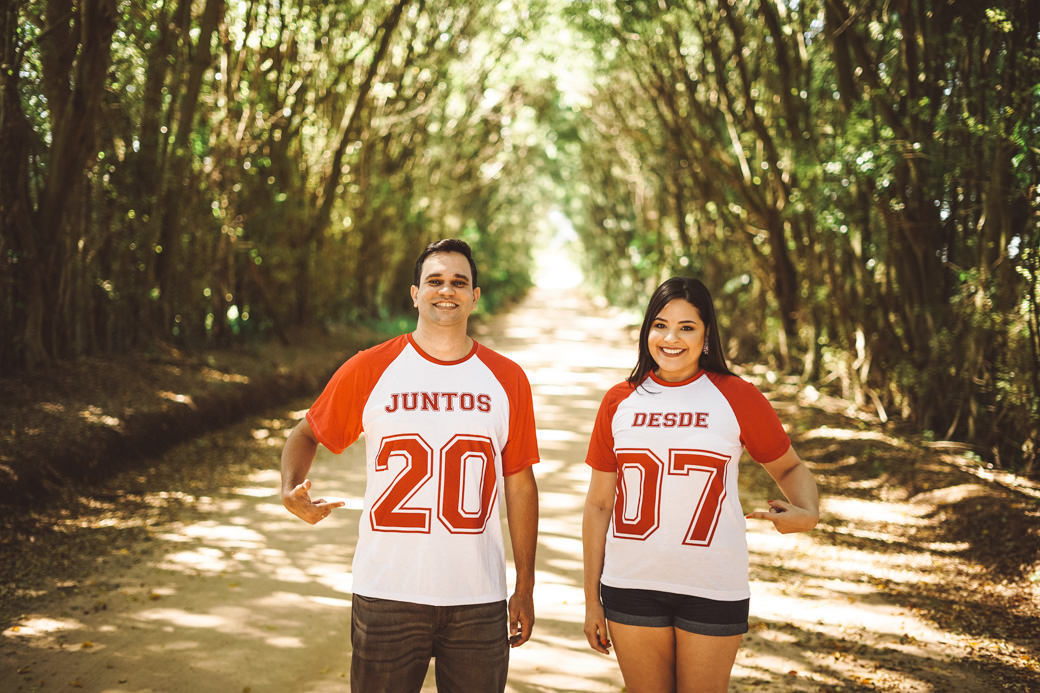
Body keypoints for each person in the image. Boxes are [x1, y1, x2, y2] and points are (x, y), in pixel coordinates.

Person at [280, 238, 540, 692]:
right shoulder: (371, 367)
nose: (447, 290)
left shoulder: (507, 378)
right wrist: (291, 488)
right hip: (387, 592)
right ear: (415, 293)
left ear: (476, 296)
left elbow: (519, 483)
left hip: (478, 596)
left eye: (459, 282)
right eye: (435, 281)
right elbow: (305, 433)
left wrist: (525, 585)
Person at [581, 277, 819, 693]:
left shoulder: (737, 396)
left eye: (687, 327)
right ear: (646, 332)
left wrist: (808, 513)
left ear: (707, 334)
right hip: (630, 583)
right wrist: (591, 601)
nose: (671, 338)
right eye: (660, 325)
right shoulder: (620, 400)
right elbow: (599, 505)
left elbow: (790, 467)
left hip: (712, 584)